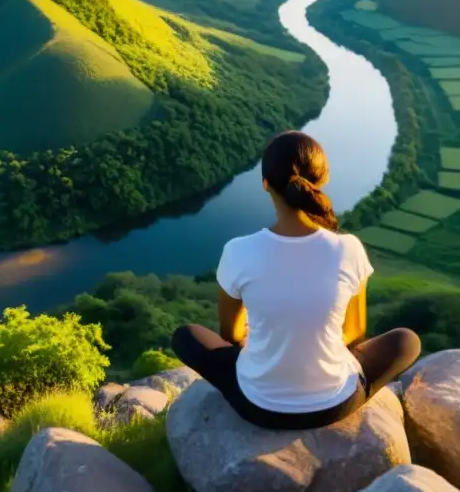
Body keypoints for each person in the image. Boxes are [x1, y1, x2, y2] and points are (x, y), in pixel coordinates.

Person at [172, 131, 421, 430]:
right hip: (336, 405)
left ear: (266, 184)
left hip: (257, 407)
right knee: (407, 341)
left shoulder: (238, 251)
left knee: (186, 335)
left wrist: (266, 342)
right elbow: (354, 332)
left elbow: (231, 334)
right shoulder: (349, 248)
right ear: (321, 182)